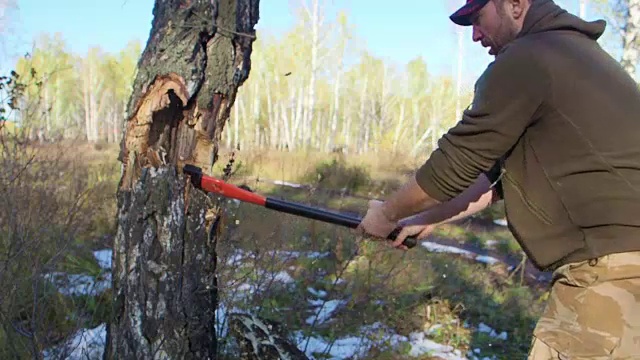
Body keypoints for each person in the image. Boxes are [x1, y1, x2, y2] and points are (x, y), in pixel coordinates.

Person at [357, 0, 640, 358]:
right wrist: (425, 218)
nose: (475, 34)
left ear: (516, 5)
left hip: (610, 280)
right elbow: (495, 176)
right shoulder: (576, 56)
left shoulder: (529, 58)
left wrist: (385, 215)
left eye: (478, 19)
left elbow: (456, 161)